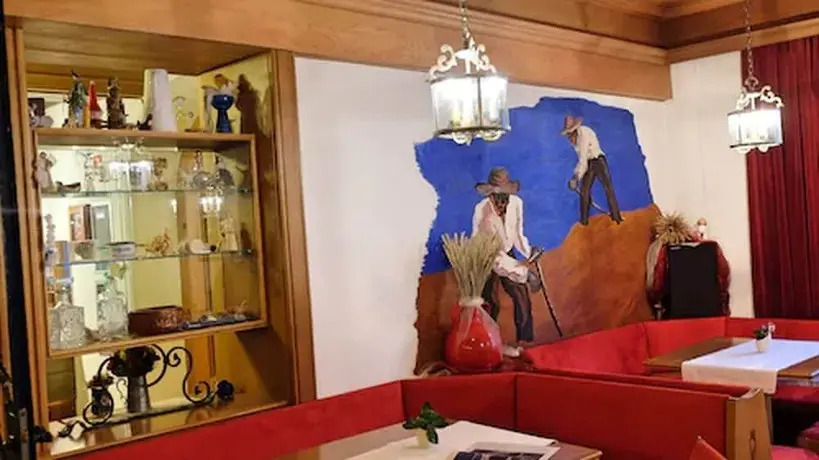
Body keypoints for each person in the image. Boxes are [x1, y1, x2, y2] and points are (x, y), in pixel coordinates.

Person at [472, 167, 540, 356]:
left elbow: (517, 234)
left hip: (507, 252)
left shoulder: (517, 204)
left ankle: (525, 343)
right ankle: (488, 342)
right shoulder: (481, 211)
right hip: (486, 255)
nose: (502, 203)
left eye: (505, 197)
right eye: (497, 197)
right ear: (490, 195)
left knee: (521, 295)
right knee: (490, 301)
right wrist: (524, 273)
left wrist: (529, 253)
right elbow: (491, 253)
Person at [561, 115, 623, 225]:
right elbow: (582, 161)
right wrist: (575, 176)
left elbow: (583, 161)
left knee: (608, 188)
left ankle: (617, 218)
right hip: (588, 163)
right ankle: (584, 222)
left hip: (598, 161)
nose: (569, 137)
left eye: (570, 134)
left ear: (574, 131)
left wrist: (576, 178)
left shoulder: (584, 134)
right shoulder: (575, 141)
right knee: (584, 191)